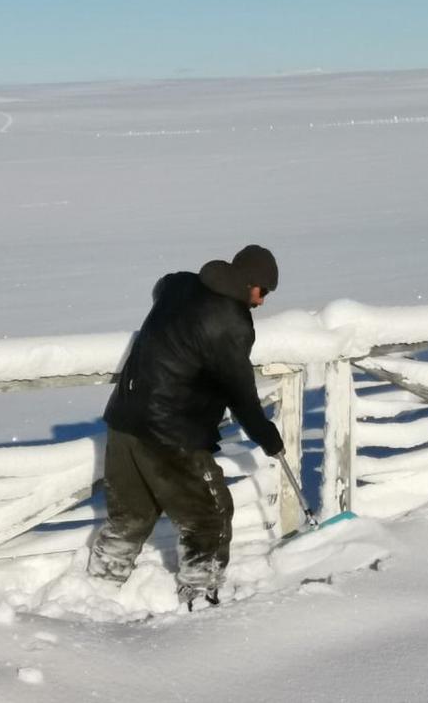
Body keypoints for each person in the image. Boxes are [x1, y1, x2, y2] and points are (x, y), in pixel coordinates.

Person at [88, 244, 283, 610]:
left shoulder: (181, 284)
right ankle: (200, 598)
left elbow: (161, 286)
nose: (262, 302)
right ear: (251, 283)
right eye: (264, 292)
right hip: (172, 433)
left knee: (130, 516)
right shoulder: (232, 323)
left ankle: (98, 588)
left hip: (125, 419)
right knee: (209, 517)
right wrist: (268, 438)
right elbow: (241, 393)